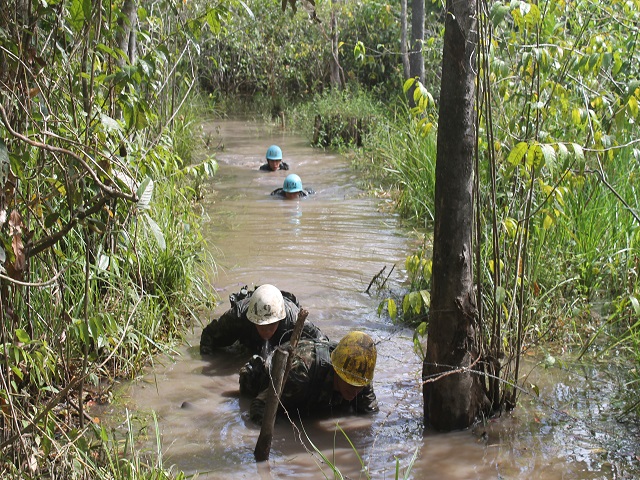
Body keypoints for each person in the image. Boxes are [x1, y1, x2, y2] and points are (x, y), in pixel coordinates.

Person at [243, 331, 379, 424]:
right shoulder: (301, 374)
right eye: (350, 383)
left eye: (359, 385)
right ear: (337, 371)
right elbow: (259, 406)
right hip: (271, 378)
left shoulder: (361, 374)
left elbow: (369, 417)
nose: (356, 390)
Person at [199, 284, 327, 356]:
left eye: (271, 325)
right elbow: (208, 336)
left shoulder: (294, 320)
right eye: (261, 326)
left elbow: (323, 344)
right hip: (248, 335)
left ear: (280, 320)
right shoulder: (238, 316)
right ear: (252, 320)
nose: (267, 331)